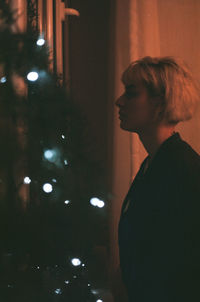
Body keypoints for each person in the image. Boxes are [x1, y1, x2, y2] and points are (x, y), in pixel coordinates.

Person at [115, 56, 200, 302]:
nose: (119, 101)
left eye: (131, 94)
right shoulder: (154, 164)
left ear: (160, 103)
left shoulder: (184, 170)